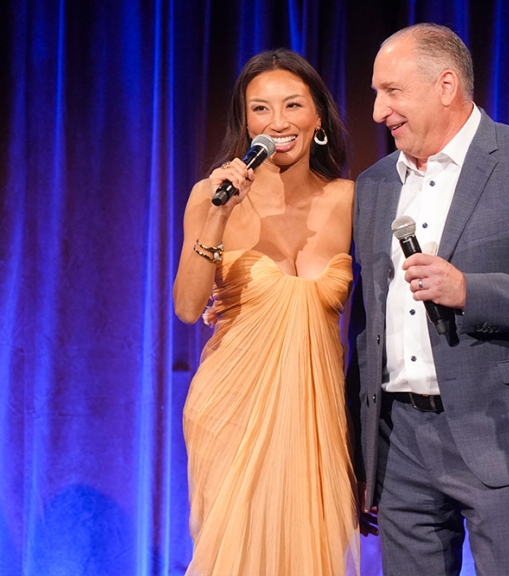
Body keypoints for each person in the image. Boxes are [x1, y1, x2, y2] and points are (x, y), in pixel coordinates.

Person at [349, 23, 509, 575]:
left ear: (445, 86)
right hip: (399, 443)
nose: (377, 111)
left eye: (391, 91)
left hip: (499, 430)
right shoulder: (373, 185)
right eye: (375, 93)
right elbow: (365, 329)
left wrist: (469, 291)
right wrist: (360, 448)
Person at [173, 48, 361, 576]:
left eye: (293, 105)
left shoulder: (352, 200)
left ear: (318, 117)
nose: (277, 122)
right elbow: (188, 307)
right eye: (260, 109)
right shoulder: (210, 195)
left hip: (317, 420)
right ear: (246, 120)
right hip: (230, 411)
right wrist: (217, 217)